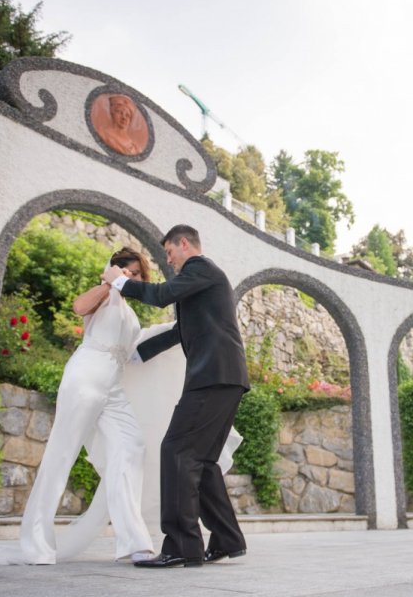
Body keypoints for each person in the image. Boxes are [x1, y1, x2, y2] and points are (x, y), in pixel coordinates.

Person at [0, 247, 161, 566]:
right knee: (61, 455)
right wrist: (110, 282)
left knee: (133, 446)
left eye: (141, 275)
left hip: (113, 387)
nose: (139, 280)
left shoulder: (129, 311)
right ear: (117, 269)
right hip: (84, 378)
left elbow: (130, 353)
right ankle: (36, 544)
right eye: (135, 273)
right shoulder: (105, 294)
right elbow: (78, 307)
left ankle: (134, 541)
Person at [102, 224, 249, 569]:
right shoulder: (204, 282)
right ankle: (227, 538)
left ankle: (182, 545)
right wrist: (137, 355)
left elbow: (160, 295)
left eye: (169, 252)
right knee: (203, 462)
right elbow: (181, 330)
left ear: (185, 244)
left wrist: (118, 280)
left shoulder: (201, 269)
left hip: (212, 377)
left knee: (176, 450)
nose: (168, 260)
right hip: (225, 377)